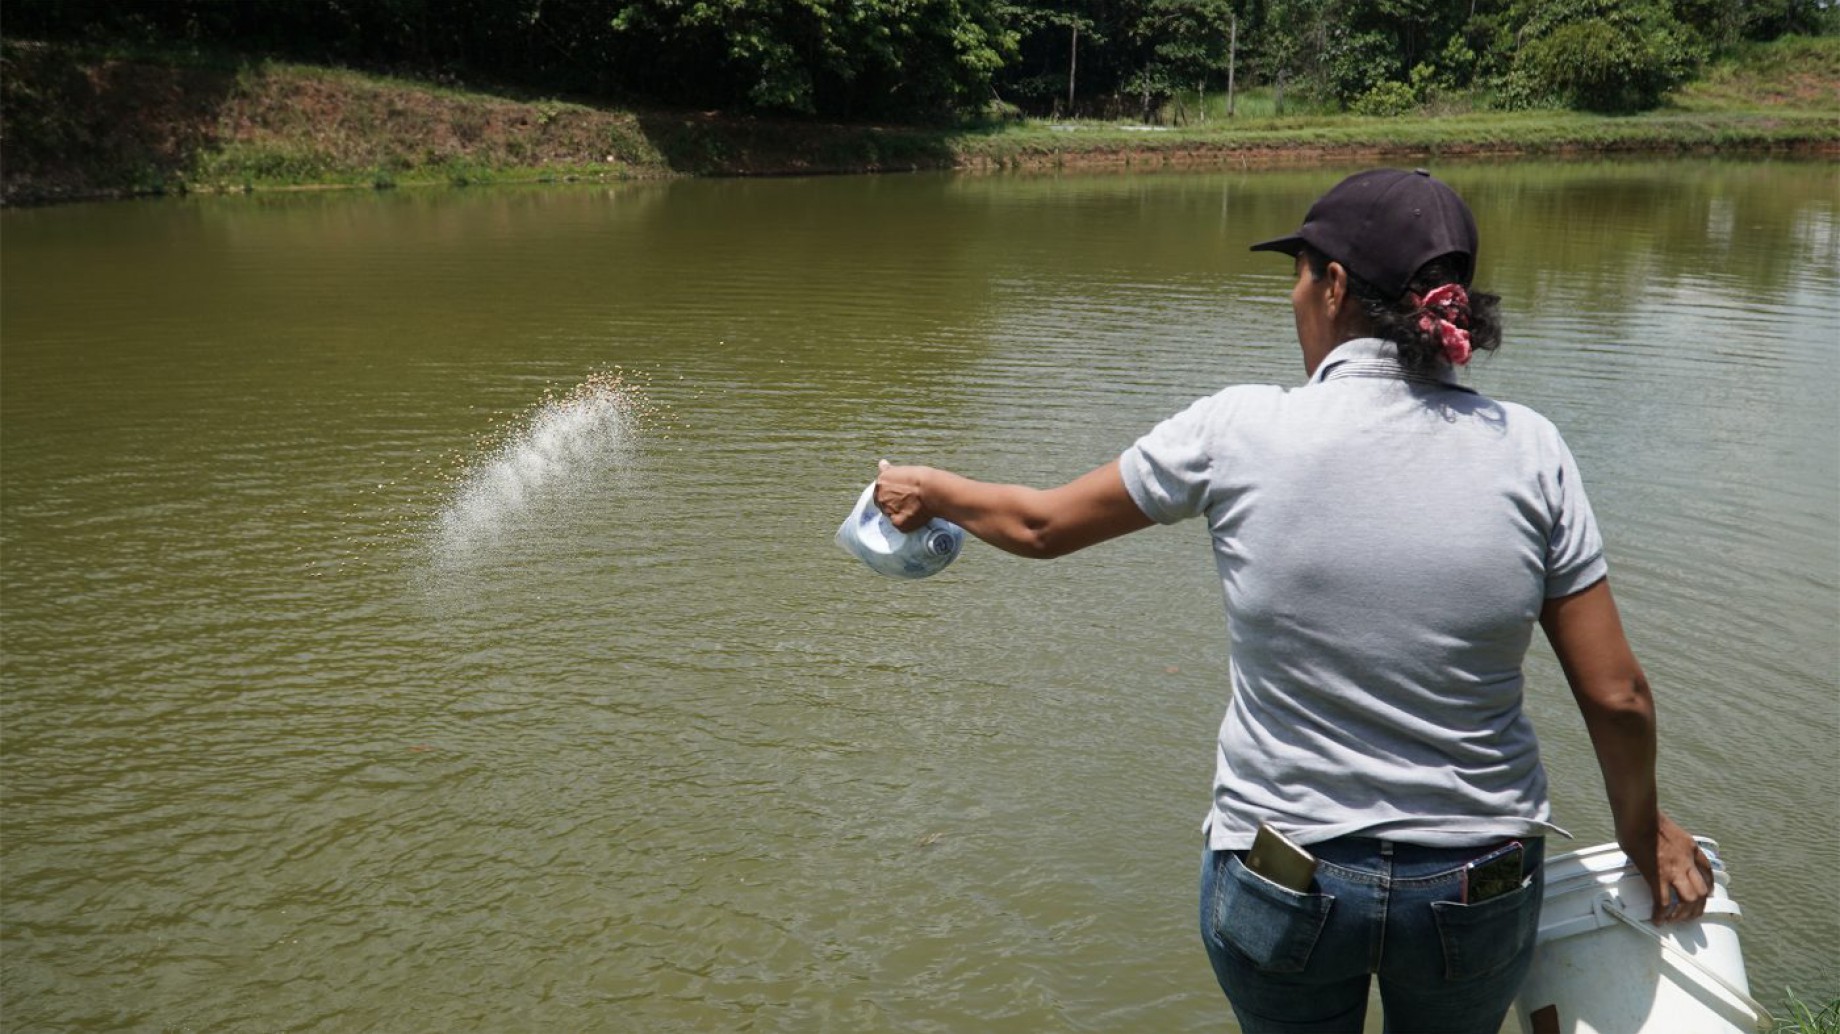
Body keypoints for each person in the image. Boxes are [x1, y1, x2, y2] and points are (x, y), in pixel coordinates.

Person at [872, 168, 1714, 1033]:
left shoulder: (1236, 431)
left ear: (1336, 284)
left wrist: (933, 488)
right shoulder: (1530, 448)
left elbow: (1040, 526)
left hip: (1285, 874)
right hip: (1478, 880)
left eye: (1299, 272)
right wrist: (1640, 827)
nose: (1294, 296)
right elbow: (1617, 695)